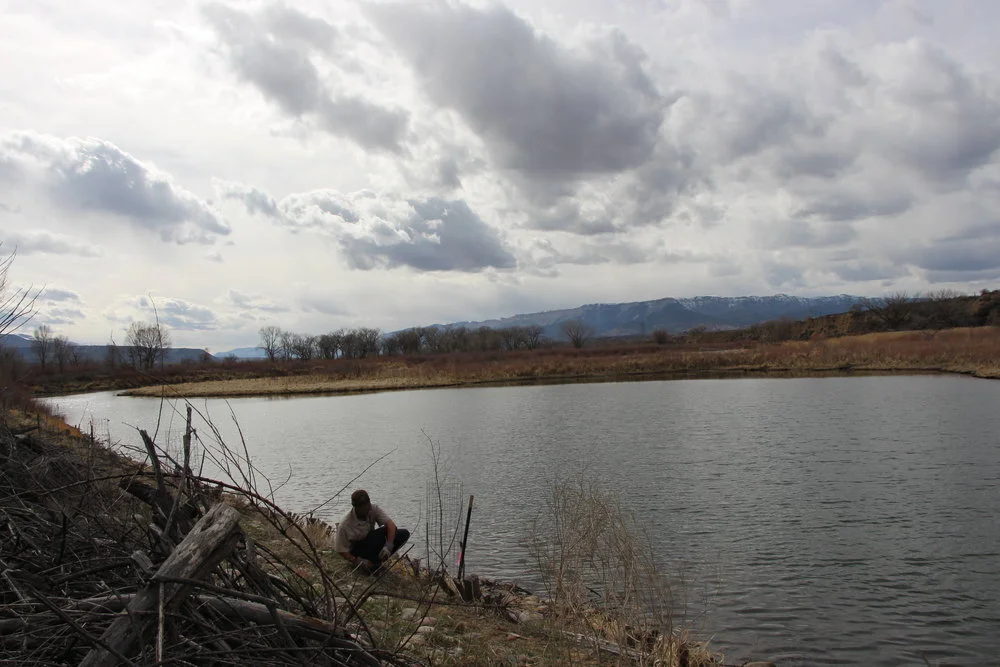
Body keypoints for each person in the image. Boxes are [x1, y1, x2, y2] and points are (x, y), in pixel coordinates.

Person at [334, 489, 410, 572]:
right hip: (357, 551)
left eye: (368, 505)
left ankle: (379, 561)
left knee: (402, 534)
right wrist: (357, 561)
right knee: (380, 534)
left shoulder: (373, 508)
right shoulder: (345, 524)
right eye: (365, 508)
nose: (368, 509)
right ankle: (370, 566)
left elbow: (391, 525)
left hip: (370, 542)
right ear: (357, 507)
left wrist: (388, 546)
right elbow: (340, 549)